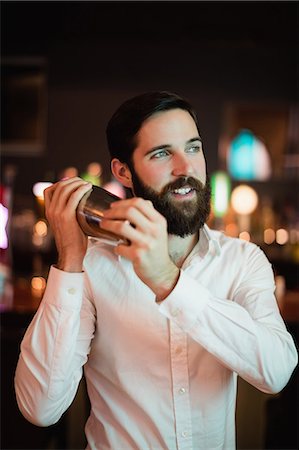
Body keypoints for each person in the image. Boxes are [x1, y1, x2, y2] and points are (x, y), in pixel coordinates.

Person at [15, 91, 297, 450]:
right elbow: (40, 408)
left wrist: (168, 280)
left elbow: (276, 372)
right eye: (162, 153)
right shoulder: (91, 266)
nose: (185, 168)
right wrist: (70, 258)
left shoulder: (243, 261)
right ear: (122, 171)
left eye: (193, 148)